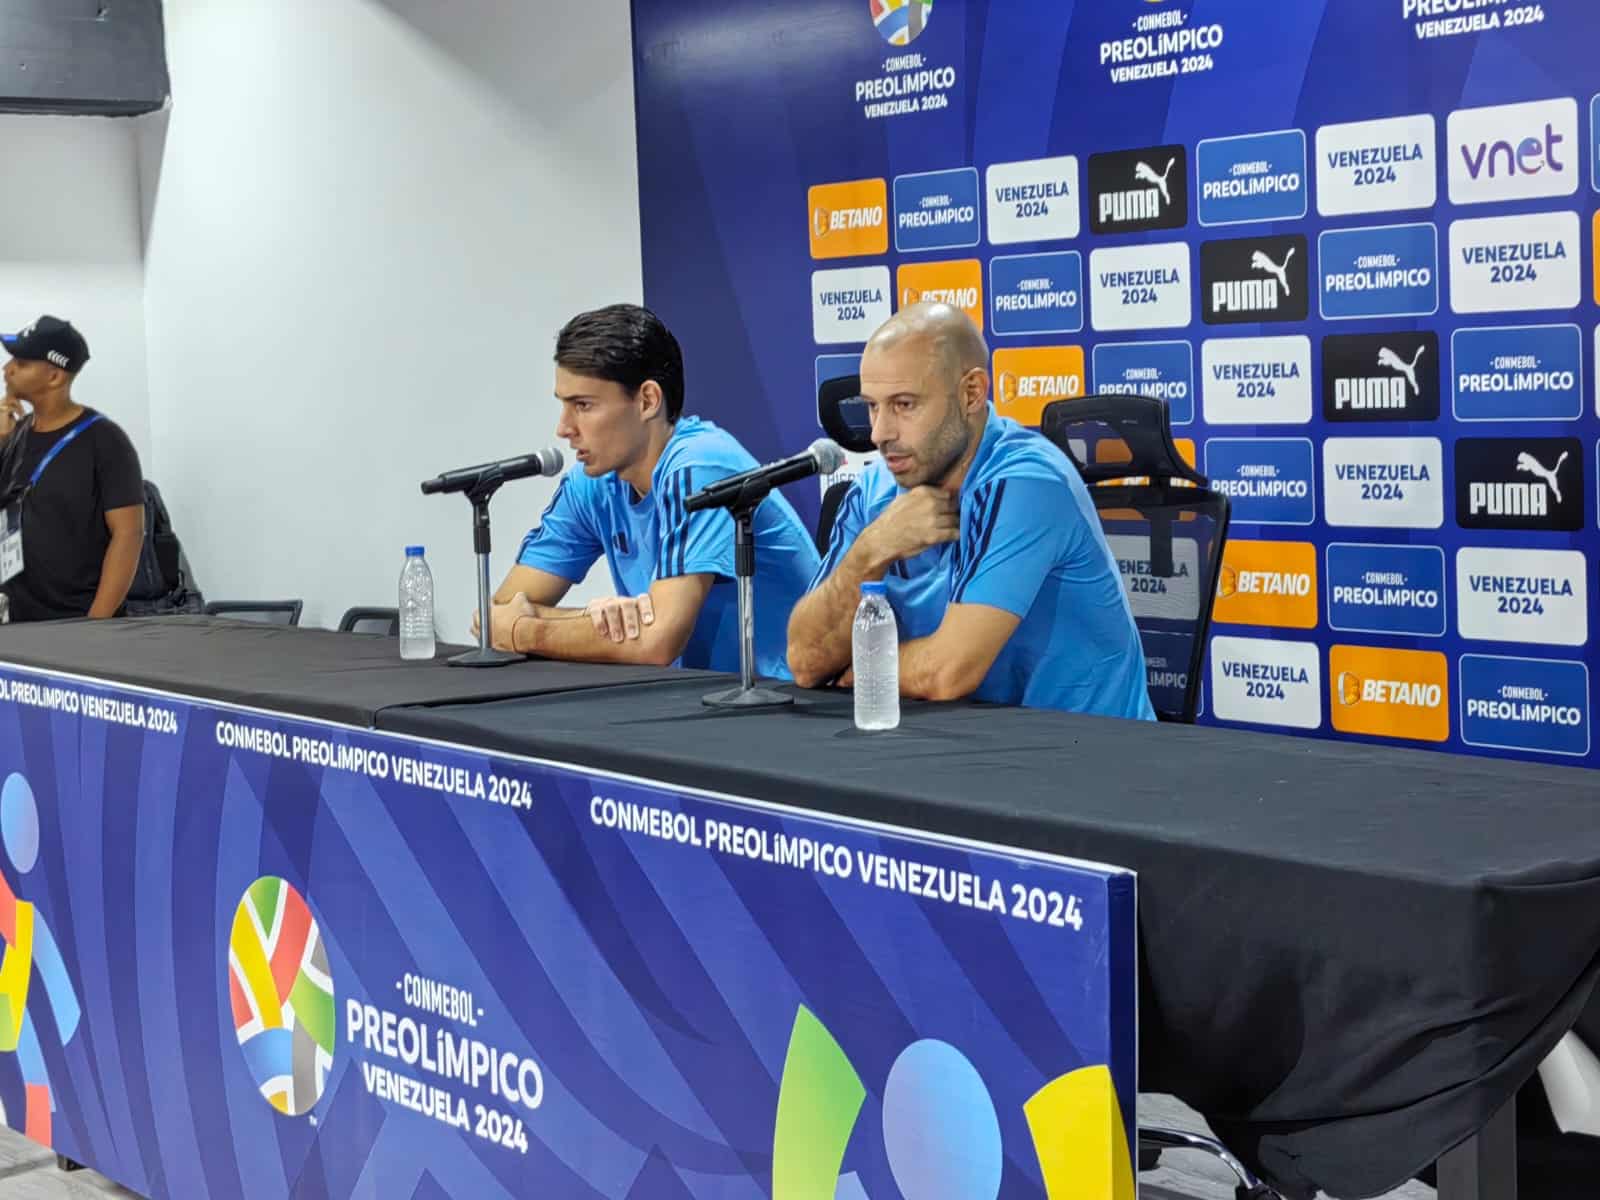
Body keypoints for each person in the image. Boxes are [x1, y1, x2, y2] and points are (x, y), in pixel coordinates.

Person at [787, 302, 1154, 720]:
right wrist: (871, 551)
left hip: (1089, 746)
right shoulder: (874, 490)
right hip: (961, 739)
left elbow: (948, 672)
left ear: (972, 393)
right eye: (872, 406)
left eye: (904, 405)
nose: (879, 433)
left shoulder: (1027, 481)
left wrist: (863, 670)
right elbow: (806, 662)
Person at [483, 304, 820, 673]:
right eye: (564, 405)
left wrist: (526, 631)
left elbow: (657, 640)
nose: (563, 428)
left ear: (647, 401)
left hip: (780, 696)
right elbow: (497, 613)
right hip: (687, 693)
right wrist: (589, 617)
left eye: (583, 405)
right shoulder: (593, 482)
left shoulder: (700, 466)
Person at [0, 317, 144, 623]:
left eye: (21, 363)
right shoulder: (17, 433)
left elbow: (128, 534)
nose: (7, 369)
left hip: (76, 622)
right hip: (18, 619)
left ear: (54, 377)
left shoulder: (105, 440)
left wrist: (95, 625)